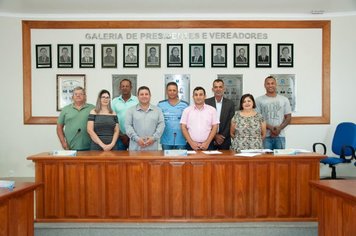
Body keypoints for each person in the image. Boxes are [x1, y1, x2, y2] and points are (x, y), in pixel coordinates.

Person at [255, 76, 292, 149]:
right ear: (264, 85)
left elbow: (288, 117)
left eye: (272, 83)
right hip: (265, 137)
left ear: (276, 85)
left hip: (280, 136)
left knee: (280, 159)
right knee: (265, 160)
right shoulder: (258, 100)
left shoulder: (284, 99)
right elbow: (258, 118)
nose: (270, 85)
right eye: (268, 83)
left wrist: (279, 128)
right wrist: (271, 128)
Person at [125, 86, 165, 151]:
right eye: (141, 94)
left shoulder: (158, 110)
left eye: (146, 94)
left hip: (152, 149)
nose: (144, 96)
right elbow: (128, 126)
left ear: (150, 96)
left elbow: (161, 125)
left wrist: (153, 138)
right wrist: (137, 139)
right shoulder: (131, 110)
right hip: (135, 148)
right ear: (137, 96)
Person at [158, 82, 189, 150]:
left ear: (177, 91)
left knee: (181, 160)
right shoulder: (160, 105)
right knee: (166, 160)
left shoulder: (185, 105)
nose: (172, 92)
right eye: (170, 90)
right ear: (166, 91)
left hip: (181, 140)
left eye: (174, 90)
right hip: (166, 140)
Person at [205, 79, 235, 150]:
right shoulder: (206, 103)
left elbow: (230, 122)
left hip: (225, 140)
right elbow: (205, 122)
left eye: (220, 87)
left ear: (224, 89)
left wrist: (222, 136)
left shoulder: (230, 103)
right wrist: (215, 136)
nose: (218, 89)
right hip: (209, 140)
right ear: (213, 89)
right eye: (216, 87)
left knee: (224, 161)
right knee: (209, 160)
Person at [111, 79, 139, 150]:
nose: (125, 88)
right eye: (123, 86)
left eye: (127, 86)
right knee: (119, 160)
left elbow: (140, 118)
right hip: (119, 136)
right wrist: (121, 135)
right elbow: (112, 119)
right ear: (120, 88)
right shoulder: (114, 101)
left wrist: (131, 135)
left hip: (135, 136)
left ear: (131, 87)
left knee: (134, 159)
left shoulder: (137, 100)